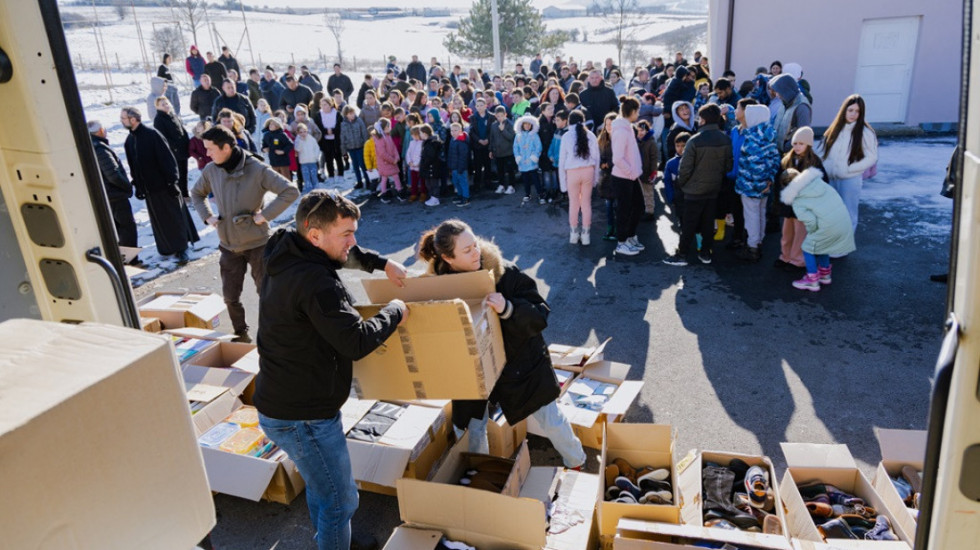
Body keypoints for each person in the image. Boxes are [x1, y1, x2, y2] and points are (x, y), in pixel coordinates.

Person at [254, 190, 408, 550]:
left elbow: (342, 254)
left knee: (323, 490)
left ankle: (332, 538)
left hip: (284, 403)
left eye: (354, 232)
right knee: (342, 501)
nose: (353, 242)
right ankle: (335, 537)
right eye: (346, 234)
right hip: (304, 416)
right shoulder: (316, 282)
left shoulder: (285, 249)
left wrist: (379, 262)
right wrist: (396, 310)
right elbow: (354, 341)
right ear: (315, 235)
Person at [417, 220, 586, 469]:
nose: (476, 253)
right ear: (447, 258)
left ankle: (576, 461)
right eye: (467, 251)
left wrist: (508, 308)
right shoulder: (437, 288)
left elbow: (540, 313)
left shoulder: (506, 274)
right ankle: (482, 475)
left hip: (520, 364)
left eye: (475, 245)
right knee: (472, 428)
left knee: (549, 417)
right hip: (471, 372)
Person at [191, 125, 299, 342]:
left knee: (266, 294)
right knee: (230, 297)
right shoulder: (212, 169)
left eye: (211, 149)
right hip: (229, 245)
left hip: (258, 244)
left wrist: (265, 215)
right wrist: (207, 216)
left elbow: (290, 191)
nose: (207, 154)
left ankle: (273, 335)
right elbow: (196, 193)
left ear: (226, 148)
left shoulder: (257, 168)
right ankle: (241, 333)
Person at [120, 106, 198, 265]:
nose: (122, 121)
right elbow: (134, 166)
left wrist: (172, 181)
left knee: (174, 217)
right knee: (160, 221)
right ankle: (167, 247)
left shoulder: (152, 134)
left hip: (164, 185)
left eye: (124, 118)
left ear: (134, 119)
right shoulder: (129, 141)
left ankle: (181, 248)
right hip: (149, 189)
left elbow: (167, 159)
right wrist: (138, 185)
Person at [663, 104, 733, 266]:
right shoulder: (725, 139)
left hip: (693, 191)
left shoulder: (695, 140)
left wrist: (682, 184)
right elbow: (728, 166)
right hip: (714, 188)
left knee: (689, 224)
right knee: (708, 223)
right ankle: (705, 253)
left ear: (704, 119)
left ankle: (682, 254)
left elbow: (685, 169)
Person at [779, 168, 856, 291]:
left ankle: (812, 280)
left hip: (828, 225)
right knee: (822, 244)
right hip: (842, 221)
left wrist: (812, 232)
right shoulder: (819, 184)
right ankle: (825, 274)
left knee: (808, 247)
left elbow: (810, 221)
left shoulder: (798, 200)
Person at [817, 94, 878, 235]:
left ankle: (842, 247)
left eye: (857, 111)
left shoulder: (865, 132)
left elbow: (872, 157)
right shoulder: (835, 128)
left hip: (849, 180)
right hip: (830, 178)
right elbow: (821, 150)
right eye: (850, 110)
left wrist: (850, 169)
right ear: (844, 110)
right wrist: (823, 167)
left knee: (848, 213)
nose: (853, 114)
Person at [733, 104, 780, 262]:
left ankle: (752, 248)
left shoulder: (753, 138)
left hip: (751, 185)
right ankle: (759, 242)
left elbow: (754, 165)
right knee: (760, 213)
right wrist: (769, 180)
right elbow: (775, 159)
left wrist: (759, 184)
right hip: (765, 184)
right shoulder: (769, 134)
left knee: (751, 215)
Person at [776, 126, 826, 271]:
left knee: (800, 234)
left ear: (808, 145)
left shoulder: (814, 163)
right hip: (789, 204)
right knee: (787, 232)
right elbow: (780, 179)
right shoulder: (787, 159)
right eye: (795, 143)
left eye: (801, 144)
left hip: (803, 206)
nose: (797, 147)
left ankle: (797, 260)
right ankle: (785, 256)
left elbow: (822, 182)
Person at [89, 120, 139, 264]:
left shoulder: (90, 147)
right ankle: (130, 260)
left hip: (107, 196)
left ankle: (124, 259)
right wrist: (126, 187)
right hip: (115, 196)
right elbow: (113, 174)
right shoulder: (100, 149)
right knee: (126, 228)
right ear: (100, 131)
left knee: (118, 229)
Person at [558, 110, 600, 246]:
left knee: (574, 204)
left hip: (572, 173)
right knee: (586, 204)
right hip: (588, 171)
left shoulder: (566, 136)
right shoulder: (591, 135)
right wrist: (596, 178)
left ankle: (574, 234)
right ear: (583, 120)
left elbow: (562, 161)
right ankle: (586, 235)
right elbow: (596, 158)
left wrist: (562, 183)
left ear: (569, 121)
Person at [610, 97, 645, 256]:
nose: (639, 114)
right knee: (625, 210)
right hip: (623, 177)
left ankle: (630, 236)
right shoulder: (622, 130)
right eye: (637, 111)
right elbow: (617, 158)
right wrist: (631, 172)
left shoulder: (627, 128)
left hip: (630, 176)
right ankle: (621, 242)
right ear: (631, 112)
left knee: (638, 207)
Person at [152, 97, 192, 198]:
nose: (166, 106)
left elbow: (182, 130)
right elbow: (163, 138)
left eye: (166, 103)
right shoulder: (158, 120)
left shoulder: (173, 115)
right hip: (173, 152)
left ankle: (185, 194)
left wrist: (187, 142)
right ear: (157, 107)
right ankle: (180, 196)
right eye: (163, 104)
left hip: (183, 149)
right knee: (178, 175)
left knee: (184, 173)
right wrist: (175, 147)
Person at [769, 74, 812, 154]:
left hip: (793, 155)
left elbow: (803, 135)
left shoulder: (802, 107)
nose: (777, 95)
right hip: (781, 153)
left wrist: (788, 147)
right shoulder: (785, 103)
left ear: (786, 90)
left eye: (778, 92)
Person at [513, 114, 544, 204]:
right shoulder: (518, 135)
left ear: (532, 125)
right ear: (521, 125)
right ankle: (527, 194)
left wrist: (534, 157)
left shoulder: (534, 135)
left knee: (535, 179)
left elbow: (538, 147)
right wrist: (518, 157)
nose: (527, 126)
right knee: (525, 179)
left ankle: (540, 194)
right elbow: (515, 147)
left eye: (529, 124)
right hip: (522, 162)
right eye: (525, 124)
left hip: (532, 162)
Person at [373, 118, 405, 203]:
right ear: (382, 128)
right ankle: (384, 194)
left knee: (395, 176)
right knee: (384, 178)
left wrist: (396, 157)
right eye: (388, 126)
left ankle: (399, 191)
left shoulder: (388, 136)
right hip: (385, 162)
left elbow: (393, 147)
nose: (389, 128)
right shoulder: (380, 139)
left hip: (392, 161)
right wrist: (392, 160)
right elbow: (382, 153)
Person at [314, 97, 345, 184]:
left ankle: (340, 175)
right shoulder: (318, 115)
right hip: (325, 140)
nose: (323, 107)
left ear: (330, 104)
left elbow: (340, 126)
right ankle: (331, 175)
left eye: (325, 105)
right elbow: (318, 127)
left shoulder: (337, 114)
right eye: (322, 105)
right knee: (328, 159)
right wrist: (326, 131)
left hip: (336, 139)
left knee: (338, 158)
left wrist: (333, 130)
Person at [339, 105, 370, 189]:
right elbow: (342, 137)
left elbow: (364, 133)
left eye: (353, 113)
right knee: (355, 165)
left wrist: (365, 144)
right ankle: (359, 181)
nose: (352, 115)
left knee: (363, 164)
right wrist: (344, 151)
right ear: (346, 115)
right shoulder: (343, 124)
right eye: (350, 114)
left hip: (360, 146)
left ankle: (367, 180)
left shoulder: (359, 121)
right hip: (351, 148)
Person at [489, 106, 517, 195]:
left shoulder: (510, 124)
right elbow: (491, 138)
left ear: (505, 115)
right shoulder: (493, 125)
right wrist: (491, 150)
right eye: (498, 116)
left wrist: (503, 130)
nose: (500, 118)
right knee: (500, 170)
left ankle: (511, 186)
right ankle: (501, 185)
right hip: (498, 152)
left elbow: (511, 137)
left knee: (510, 170)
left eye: (501, 115)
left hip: (508, 152)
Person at [635, 119, 659, 221]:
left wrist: (653, 172)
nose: (640, 133)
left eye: (643, 131)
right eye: (639, 130)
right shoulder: (636, 142)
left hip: (647, 172)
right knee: (640, 193)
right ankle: (642, 210)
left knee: (648, 193)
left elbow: (654, 159)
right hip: (638, 172)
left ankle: (650, 211)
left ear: (647, 131)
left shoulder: (651, 143)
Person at [663, 132, 689, 224]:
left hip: (691, 197)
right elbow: (667, 181)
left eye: (683, 145)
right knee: (681, 219)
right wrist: (671, 197)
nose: (680, 148)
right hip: (678, 198)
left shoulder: (694, 160)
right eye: (677, 146)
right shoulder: (671, 163)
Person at [261, 117, 294, 181]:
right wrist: (264, 149)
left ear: (277, 126)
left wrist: (283, 151)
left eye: (272, 124)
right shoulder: (266, 135)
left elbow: (290, 145)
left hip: (283, 161)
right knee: (276, 179)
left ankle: (288, 190)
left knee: (286, 179)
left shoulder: (282, 135)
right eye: (270, 124)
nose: (270, 126)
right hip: (273, 161)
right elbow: (264, 145)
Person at [419, 124, 444, 206]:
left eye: (421, 133)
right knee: (429, 183)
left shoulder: (431, 143)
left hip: (432, 167)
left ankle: (435, 198)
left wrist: (424, 164)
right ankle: (432, 197)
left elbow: (430, 157)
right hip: (429, 167)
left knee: (433, 183)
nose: (420, 135)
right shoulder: (427, 143)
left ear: (425, 133)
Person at [447, 122, 471, 206]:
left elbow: (463, 157)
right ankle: (460, 195)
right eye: (452, 130)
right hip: (454, 167)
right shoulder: (452, 140)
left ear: (460, 131)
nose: (453, 132)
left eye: (455, 130)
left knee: (463, 182)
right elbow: (450, 154)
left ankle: (466, 198)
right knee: (456, 182)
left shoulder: (462, 142)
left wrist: (461, 168)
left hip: (460, 168)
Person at [294, 123, 321, 191]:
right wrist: (301, 141)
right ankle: (308, 189)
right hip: (304, 162)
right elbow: (297, 149)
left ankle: (316, 189)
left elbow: (316, 148)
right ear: (298, 133)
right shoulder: (298, 140)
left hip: (312, 161)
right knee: (306, 177)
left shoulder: (311, 139)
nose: (303, 133)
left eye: (305, 131)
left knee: (314, 175)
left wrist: (316, 157)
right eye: (301, 132)